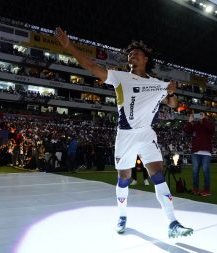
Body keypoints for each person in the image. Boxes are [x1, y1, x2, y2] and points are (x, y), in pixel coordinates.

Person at [55, 27, 193, 238]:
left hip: (147, 134)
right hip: (125, 135)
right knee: (124, 179)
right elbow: (91, 67)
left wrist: (172, 94)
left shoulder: (157, 84)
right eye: (130, 54)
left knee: (157, 175)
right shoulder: (119, 77)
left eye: (136, 54)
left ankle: (173, 222)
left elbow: (173, 104)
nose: (131, 56)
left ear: (145, 59)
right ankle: (122, 216)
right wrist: (69, 46)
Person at [183, 111, 215, 196]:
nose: (200, 117)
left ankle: (206, 190)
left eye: (202, 115)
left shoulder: (209, 124)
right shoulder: (195, 125)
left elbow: (211, 129)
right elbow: (186, 131)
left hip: (206, 152)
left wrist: (204, 119)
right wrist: (190, 121)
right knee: (195, 171)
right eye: (200, 116)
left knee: (205, 171)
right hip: (196, 151)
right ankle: (196, 189)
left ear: (206, 117)